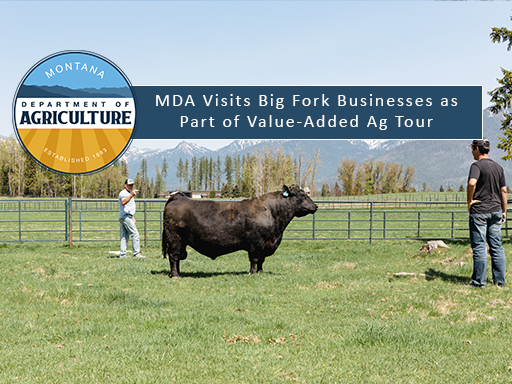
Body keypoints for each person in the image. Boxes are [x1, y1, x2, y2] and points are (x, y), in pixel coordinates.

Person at [467, 138, 506, 287]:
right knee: (496, 246)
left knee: (479, 247)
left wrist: (469, 201)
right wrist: (504, 211)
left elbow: (472, 183)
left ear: (477, 149)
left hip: (480, 212)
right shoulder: (498, 167)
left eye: (472, 149)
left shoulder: (476, 166)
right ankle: (500, 282)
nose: (471, 152)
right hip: (496, 210)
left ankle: (478, 282)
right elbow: (503, 190)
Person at [118, 179, 144, 258]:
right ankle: (136, 253)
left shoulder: (127, 193)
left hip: (126, 216)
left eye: (131, 185)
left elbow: (127, 207)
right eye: (129, 185)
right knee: (135, 234)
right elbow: (123, 202)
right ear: (125, 185)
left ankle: (122, 254)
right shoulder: (124, 193)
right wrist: (132, 195)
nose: (130, 186)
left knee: (124, 236)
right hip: (126, 216)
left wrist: (132, 216)